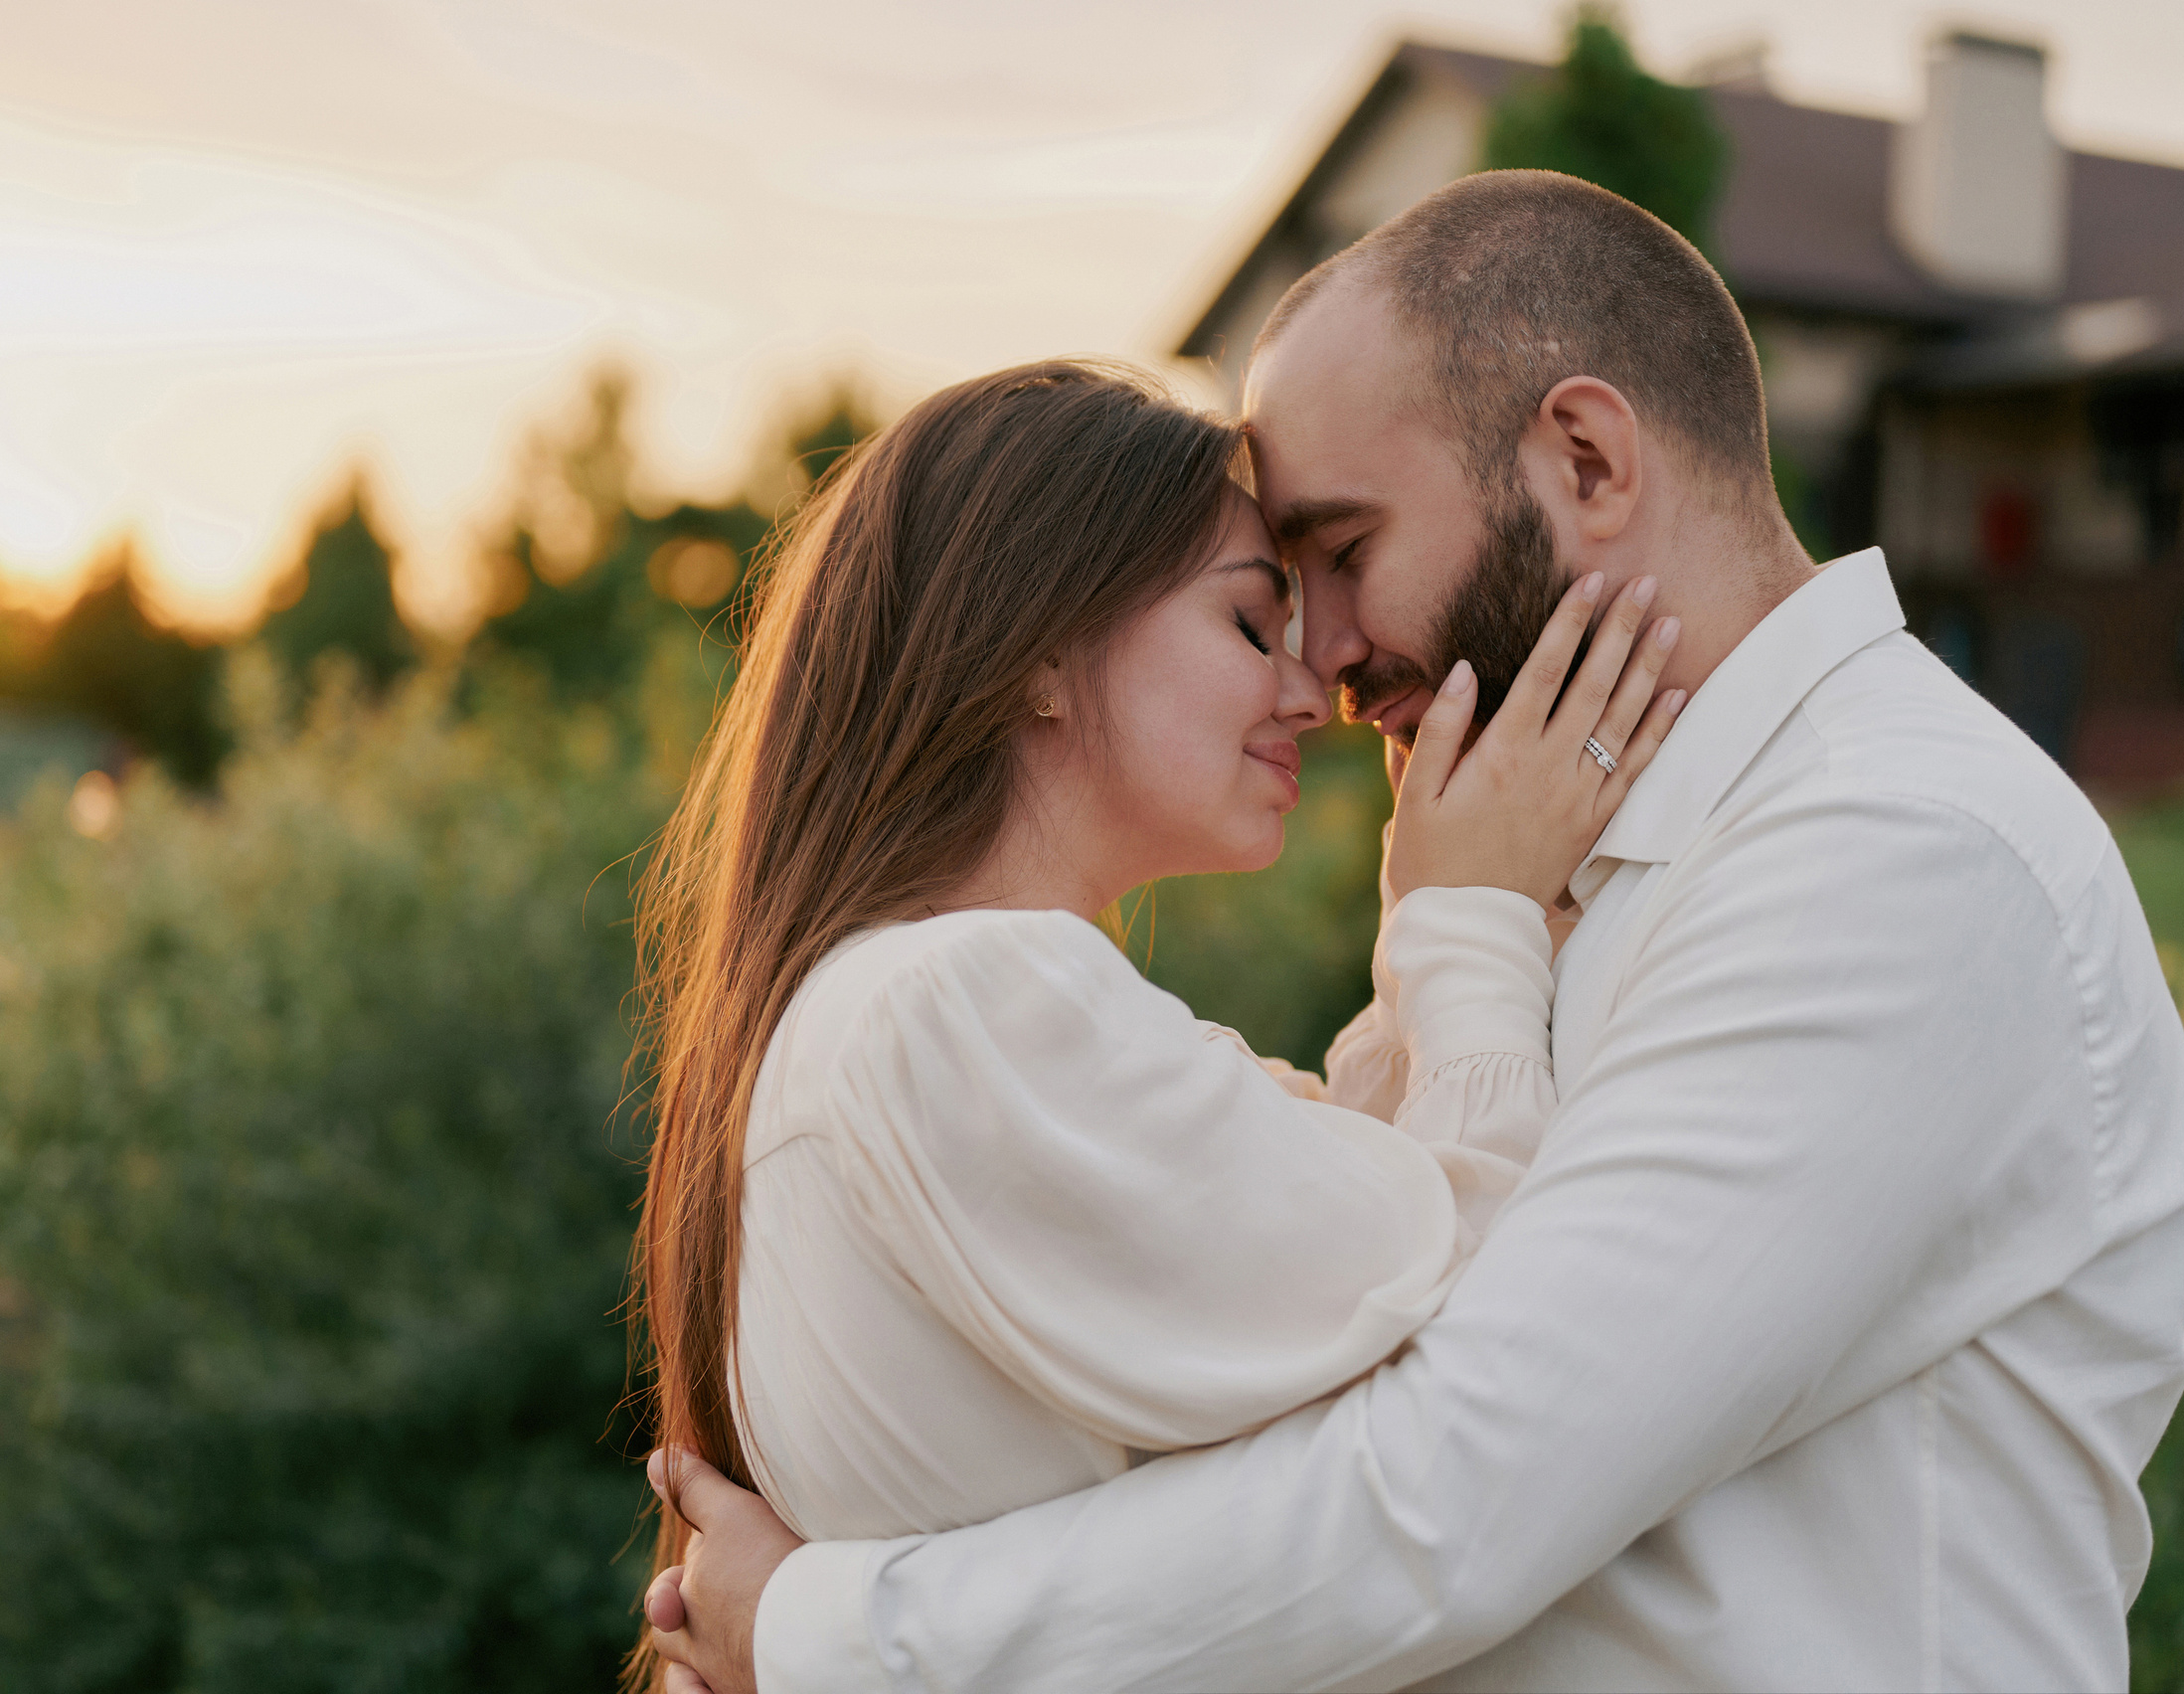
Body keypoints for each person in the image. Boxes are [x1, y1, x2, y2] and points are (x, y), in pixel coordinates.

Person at [643, 171, 2184, 1692]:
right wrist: (1464, 934)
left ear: (1588, 462)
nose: (1315, 665)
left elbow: (1441, 1496)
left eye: (1337, 553)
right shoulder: (1543, 873)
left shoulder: (1899, 861)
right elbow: (1328, 1375)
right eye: (1264, 602)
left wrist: (839, 1638)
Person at [624, 353, 1682, 1689]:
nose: (1310, 691)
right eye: (1250, 626)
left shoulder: (894, 1010)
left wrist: (1446, 916)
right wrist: (1473, 919)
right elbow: (1478, 1350)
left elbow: (1352, 1218)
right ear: (1038, 660)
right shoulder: (969, 1008)